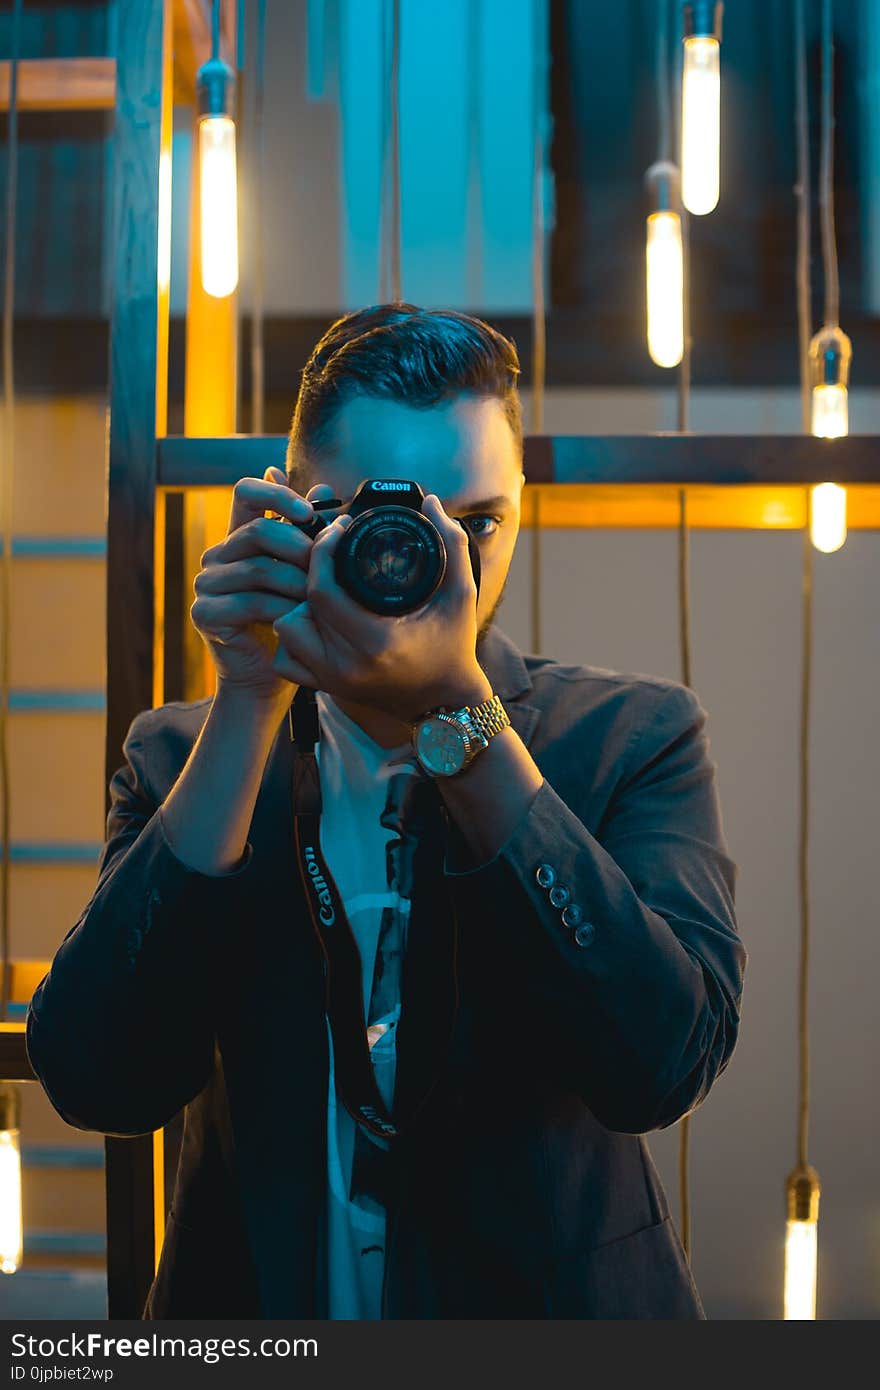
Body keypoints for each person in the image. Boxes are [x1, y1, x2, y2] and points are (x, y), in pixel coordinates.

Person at [25, 304, 746, 1320]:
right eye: (382, 520)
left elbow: (659, 1063)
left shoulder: (630, 737)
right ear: (290, 512)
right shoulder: (187, 757)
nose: (434, 560)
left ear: (521, 511)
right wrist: (245, 701)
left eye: (476, 523)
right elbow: (101, 1079)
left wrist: (460, 715)